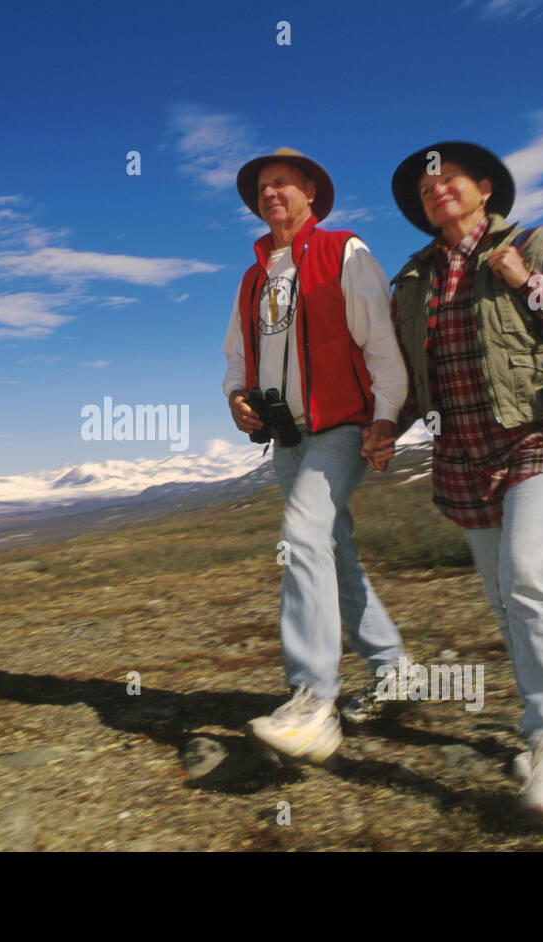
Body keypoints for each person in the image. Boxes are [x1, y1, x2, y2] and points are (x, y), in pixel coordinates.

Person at [373, 141, 543, 825]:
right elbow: (409, 376)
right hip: (463, 455)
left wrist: (525, 283)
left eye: (449, 179)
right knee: (506, 599)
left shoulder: (536, 245)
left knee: (529, 574)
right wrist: (385, 425)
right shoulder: (413, 281)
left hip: (539, 436)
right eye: (426, 187)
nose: (437, 190)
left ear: (484, 187)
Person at [222, 147, 410, 764]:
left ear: (310, 192)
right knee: (331, 551)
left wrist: (386, 418)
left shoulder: (344, 252)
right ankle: (393, 670)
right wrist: (237, 399)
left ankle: (312, 701)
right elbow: (236, 358)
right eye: (262, 187)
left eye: (282, 184)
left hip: (344, 428)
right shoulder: (252, 277)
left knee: (302, 536)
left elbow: (379, 342)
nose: (270, 194)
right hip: (287, 436)